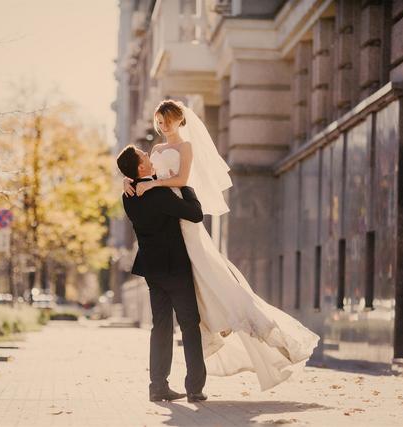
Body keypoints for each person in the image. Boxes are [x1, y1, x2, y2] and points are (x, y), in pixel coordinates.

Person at [123, 99, 321, 391]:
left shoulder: (179, 154)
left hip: (169, 240)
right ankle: (192, 384)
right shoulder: (154, 161)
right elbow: (161, 185)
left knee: (187, 301)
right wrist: (136, 181)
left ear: (179, 121)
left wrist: (143, 184)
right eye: (159, 122)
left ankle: (162, 383)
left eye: (166, 121)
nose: (161, 127)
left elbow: (176, 178)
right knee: (188, 319)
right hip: (174, 240)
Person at [117, 145, 208, 403]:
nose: (149, 155)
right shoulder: (160, 195)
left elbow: (138, 182)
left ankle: (157, 386)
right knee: (190, 325)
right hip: (175, 268)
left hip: (152, 270)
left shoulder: (128, 195)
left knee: (161, 327)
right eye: (144, 156)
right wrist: (187, 186)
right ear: (141, 168)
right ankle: (194, 388)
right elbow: (195, 213)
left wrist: (127, 179)